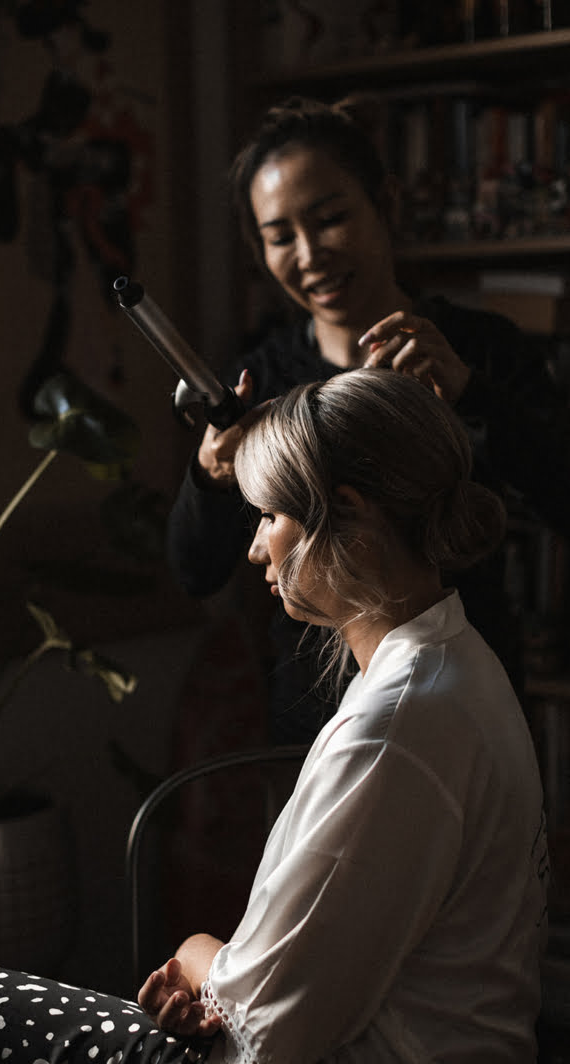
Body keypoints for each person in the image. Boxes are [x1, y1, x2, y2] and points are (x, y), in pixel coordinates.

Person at [0, 369, 548, 1064]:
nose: (255, 547)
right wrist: (222, 974)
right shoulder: (457, 663)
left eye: (271, 516)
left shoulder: (398, 724)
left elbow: (273, 1021)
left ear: (350, 512)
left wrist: (193, 955)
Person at [167, 95, 569, 743]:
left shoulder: (478, 348)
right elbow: (196, 571)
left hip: (463, 696)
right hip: (317, 719)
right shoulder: (259, 382)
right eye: (280, 237)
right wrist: (212, 470)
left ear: (386, 204)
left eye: (330, 219)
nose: (309, 255)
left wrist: (472, 395)